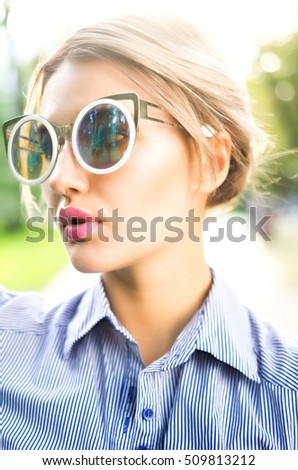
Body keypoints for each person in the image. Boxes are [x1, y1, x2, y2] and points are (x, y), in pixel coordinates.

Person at [1, 14, 297, 451]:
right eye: (45, 143)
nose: (60, 178)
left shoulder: (285, 405)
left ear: (210, 161)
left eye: (104, 133)